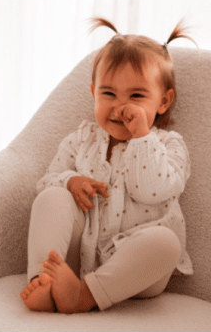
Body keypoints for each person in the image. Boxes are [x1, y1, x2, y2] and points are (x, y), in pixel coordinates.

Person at [21, 17, 194, 314]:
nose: (120, 107)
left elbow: (153, 191)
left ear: (163, 102)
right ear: (93, 92)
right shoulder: (82, 138)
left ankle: (85, 296)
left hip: (135, 270)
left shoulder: (168, 145)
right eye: (109, 94)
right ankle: (45, 281)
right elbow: (46, 181)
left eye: (136, 96)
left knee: (166, 243)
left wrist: (141, 136)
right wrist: (71, 181)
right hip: (81, 256)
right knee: (51, 198)